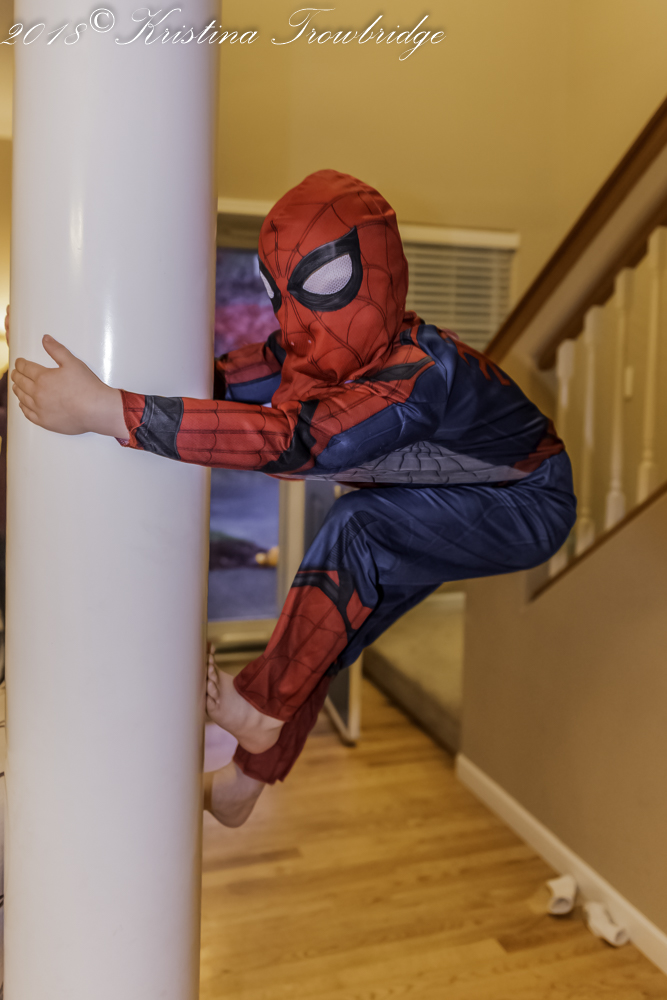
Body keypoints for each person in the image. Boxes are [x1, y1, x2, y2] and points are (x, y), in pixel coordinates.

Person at [10, 170, 577, 826]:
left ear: (376, 269)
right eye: (280, 290)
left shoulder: (420, 376)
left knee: (360, 525)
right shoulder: (309, 350)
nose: (296, 318)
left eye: (324, 280)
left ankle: (259, 710)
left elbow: (299, 442)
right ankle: (241, 787)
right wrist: (66, 324)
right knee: (328, 631)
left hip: (527, 498)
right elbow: (213, 380)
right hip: (444, 491)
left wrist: (113, 411)